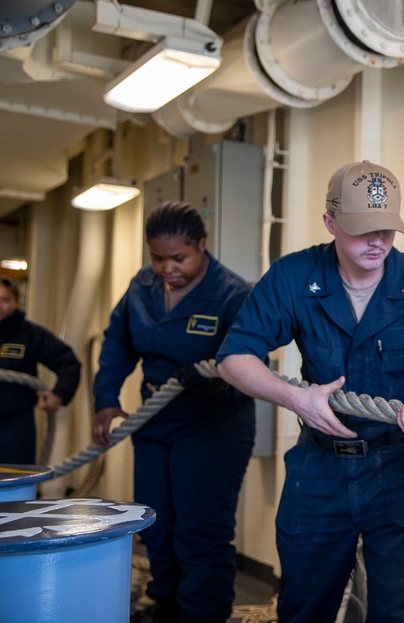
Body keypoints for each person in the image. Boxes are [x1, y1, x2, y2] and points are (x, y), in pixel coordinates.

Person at [216, 160, 404, 623]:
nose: (377, 241)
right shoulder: (293, 277)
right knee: (304, 607)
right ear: (330, 222)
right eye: (362, 229)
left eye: (387, 228)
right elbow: (234, 358)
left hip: (401, 471)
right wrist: (296, 398)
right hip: (319, 468)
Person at [92, 201, 255, 623]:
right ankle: (166, 606)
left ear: (201, 246)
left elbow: (249, 361)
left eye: (178, 258)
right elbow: (117, 343)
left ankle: (202, 614)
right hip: (156, 420)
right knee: (156, 526)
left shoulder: (232, 294)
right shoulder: (141, 287)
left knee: (199, 531)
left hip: (212, 425)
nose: (167, 269)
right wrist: (106, 400)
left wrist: (207, 379)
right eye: (157, 258)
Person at [0, 277, 81, 465]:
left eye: (4, 300)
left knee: (15, 486)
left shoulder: (31, 334)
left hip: (15, 426)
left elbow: (68, 362)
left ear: (16, 301)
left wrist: (60, 394)